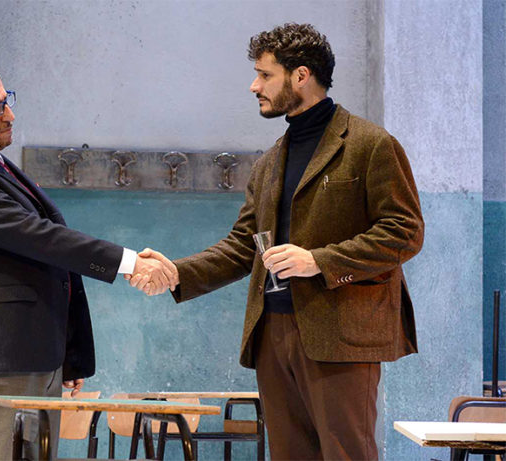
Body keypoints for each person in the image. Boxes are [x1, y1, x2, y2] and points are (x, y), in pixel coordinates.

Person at [132, 23, 424, 460]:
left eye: (265, 75)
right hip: (272, 332)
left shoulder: (371, 145)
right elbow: (242, 246)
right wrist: (178, 272)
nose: (254, 86)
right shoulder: (269, 162)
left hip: (341, 333)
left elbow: (404, 231)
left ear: (301, 75)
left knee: (346, 453)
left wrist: (319, 260)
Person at [0, 60, 177, 461]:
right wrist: (128, 262)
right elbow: (38, 238)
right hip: (0, 358)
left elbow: (44, 263)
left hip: (38, 355)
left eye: (7, 100)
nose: (9, 115)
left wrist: (68, 354)